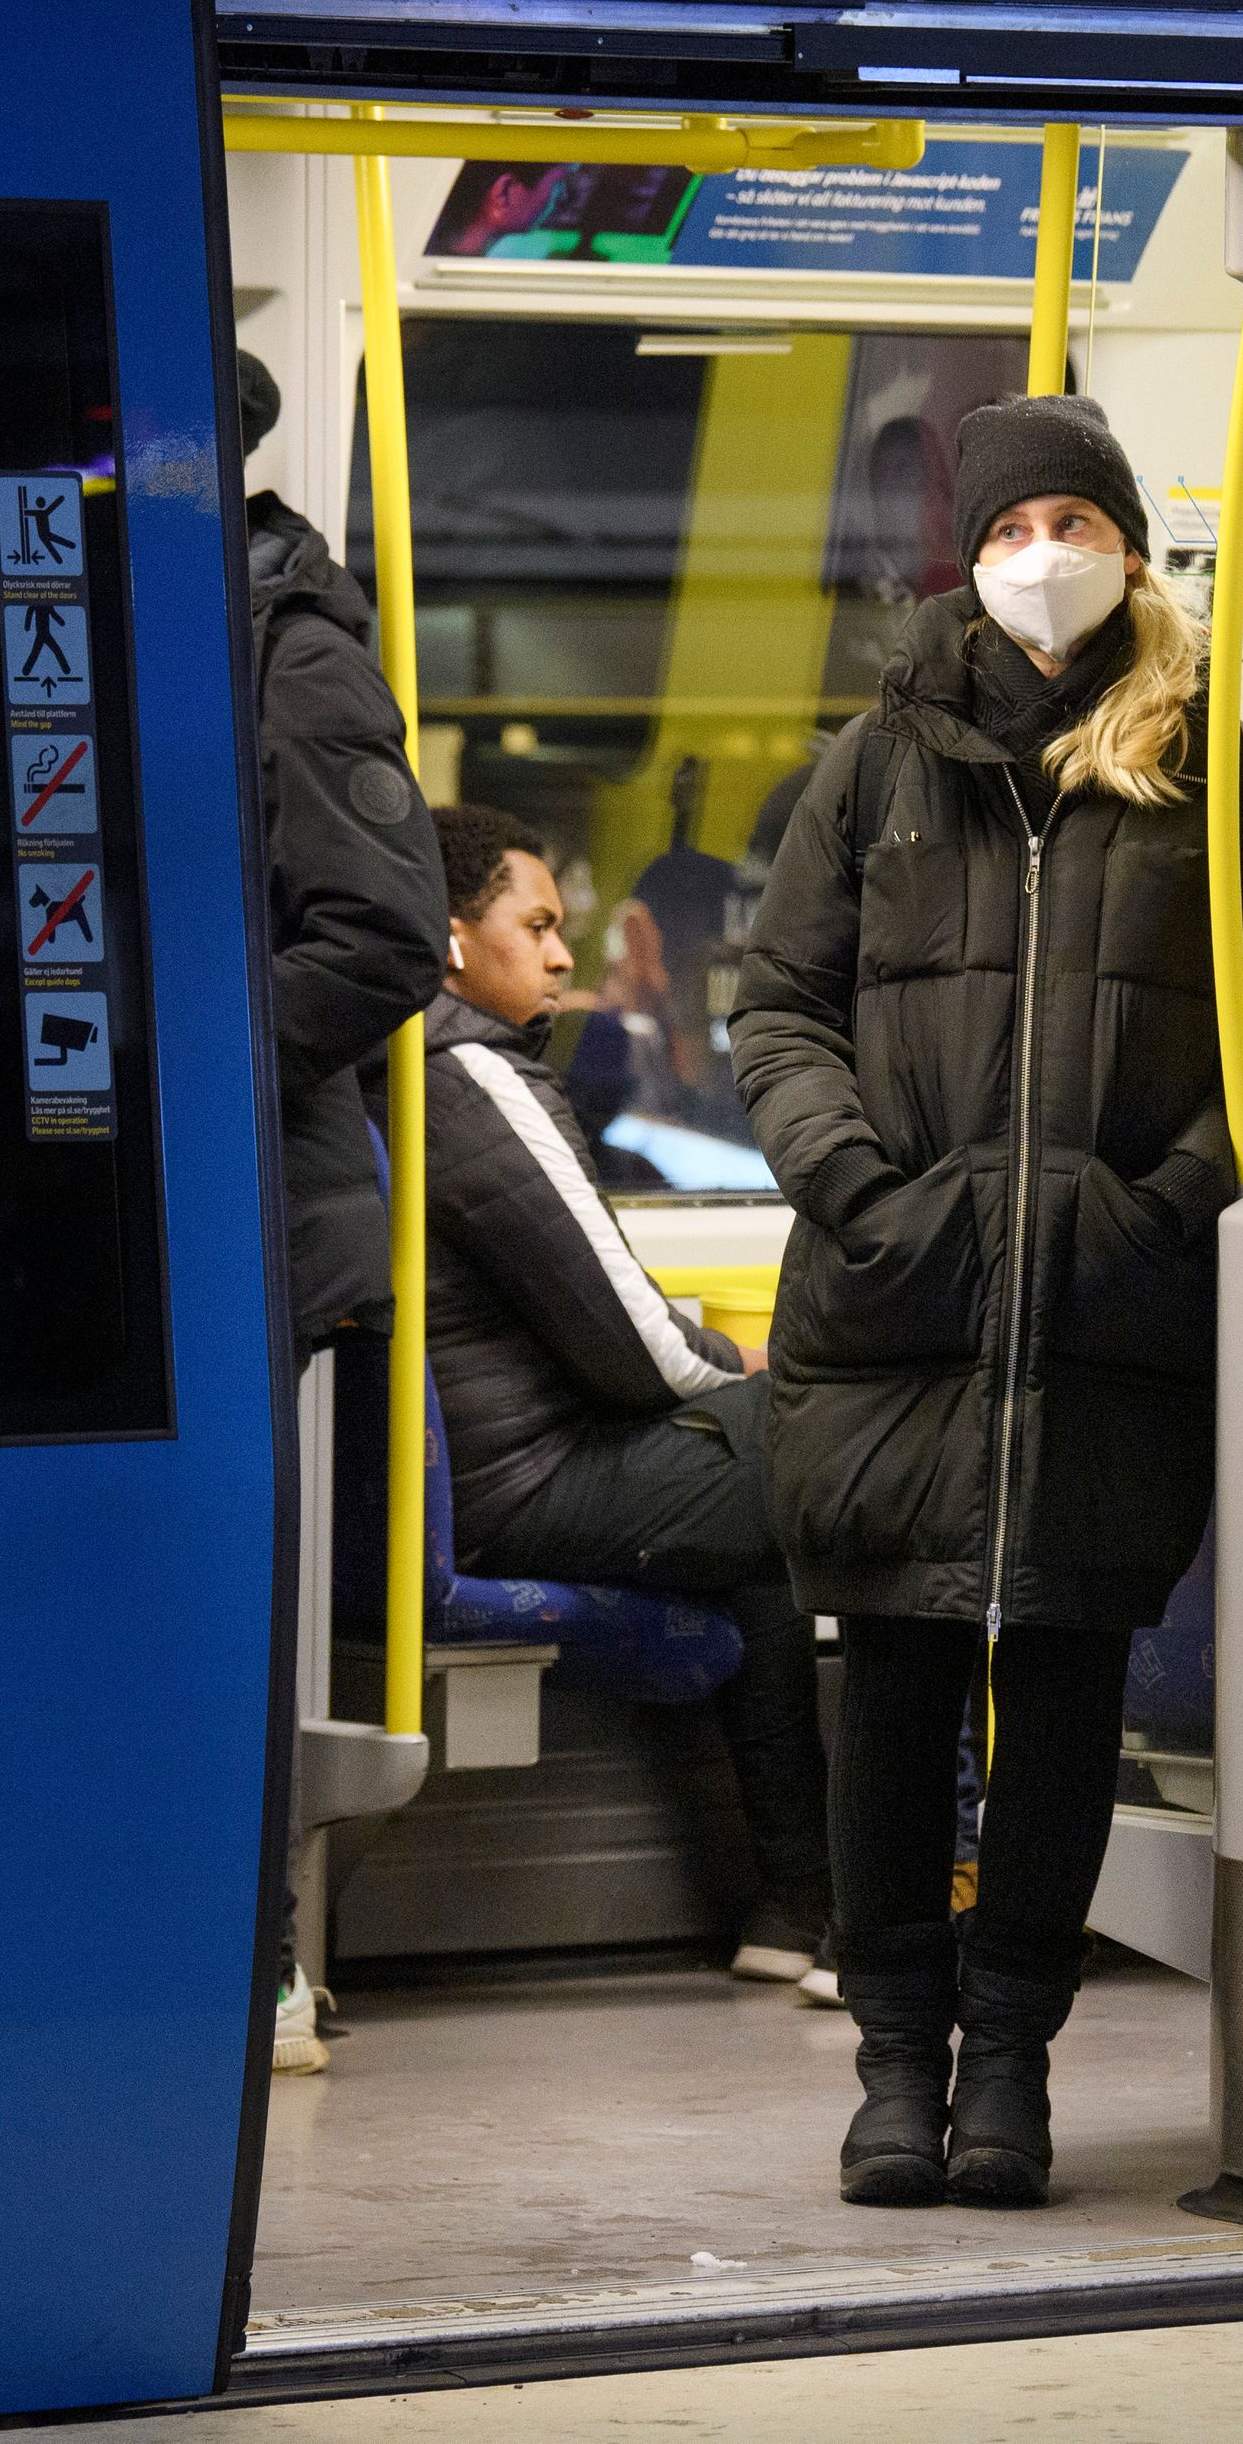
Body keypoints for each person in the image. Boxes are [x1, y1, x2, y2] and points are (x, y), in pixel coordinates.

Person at [736, 392, 1240, 2210]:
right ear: (969, 558)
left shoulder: (1212, 764)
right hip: (899, 1310)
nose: (1045, 558)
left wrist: (1157, 1209)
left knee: (1066, 1691)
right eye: (1013, 528)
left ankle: (1012, 2054)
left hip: (1109, 1310)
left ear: (1129, 544)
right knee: (892, 1681)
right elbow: (780, 1007)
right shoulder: (876, 764)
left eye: (1075, 523)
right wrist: (865, 1194)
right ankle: (894, 2061)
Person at [419, 804, 834, 1987]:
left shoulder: (415, 1066)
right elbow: (632, 1350)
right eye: (536, 926)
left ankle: (800, 1912)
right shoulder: (470, 1075)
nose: (561, 957)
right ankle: (913, 1888)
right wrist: (742, 1368)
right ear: (451, 938)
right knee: (858, 1447)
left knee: (763, 1534)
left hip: (499, 1472)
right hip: (528, 1481)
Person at [241, 348, 453, 2075]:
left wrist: (185, 1081)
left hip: (249, 1200)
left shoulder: (292, 655)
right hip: (131, 1212)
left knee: (218, 1606)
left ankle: (259, 1959)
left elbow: (383, 936)